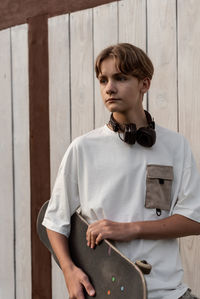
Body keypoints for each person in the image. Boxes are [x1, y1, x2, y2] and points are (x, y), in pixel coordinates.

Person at [42, 43, 200, 299]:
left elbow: (194, 219)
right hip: (108, 293)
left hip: (170, 293)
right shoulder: (83, 148)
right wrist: (69, 271)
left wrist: (129, 228)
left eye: (120, 77)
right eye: (103, 80)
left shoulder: (175, 145)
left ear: (144, 84)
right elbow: (54, 222)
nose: (109, 88)